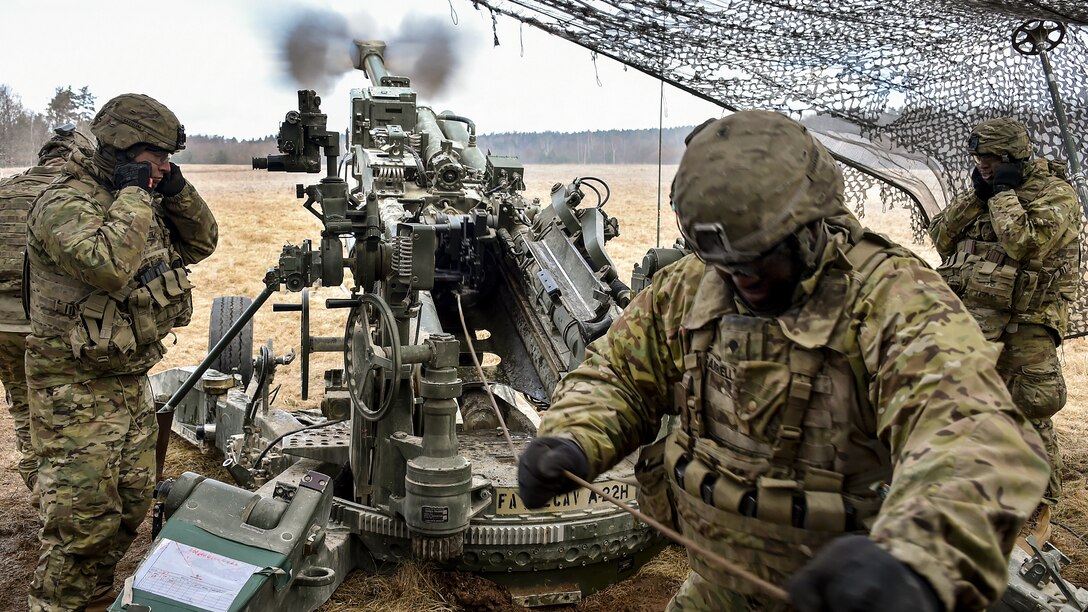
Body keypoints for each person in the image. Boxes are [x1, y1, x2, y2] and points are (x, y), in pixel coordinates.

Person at [517, 110, 1049, 611]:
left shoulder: (891, 299)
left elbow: (972, 435)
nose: (740, 278)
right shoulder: (692, 286)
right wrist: (574, 436)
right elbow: (619, 374)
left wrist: (915, 562)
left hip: (852, 592)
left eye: (758, 257)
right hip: (720, 582)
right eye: (721, 261)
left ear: (810, 226)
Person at [25, 93, 218, 612]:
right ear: (121, 150)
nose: (165, 167)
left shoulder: (142, 193)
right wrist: (136, 193)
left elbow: (203, 243)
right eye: (157, 158)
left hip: (129, 381)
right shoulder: (64, 203)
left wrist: (173, 189)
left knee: (131, 504)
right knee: (81, 524)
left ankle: (94, 596)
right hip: (72, 387)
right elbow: (109, 265)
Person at [929, 117, 1080, 529]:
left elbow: (1025, 241)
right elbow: (941, 237)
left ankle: (1037, 517)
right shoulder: (986, 189)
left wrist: (1002, 194)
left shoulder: (1055, 194)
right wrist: (977, 196)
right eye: (979, 158)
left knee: (1028, 411)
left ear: (1013, 157)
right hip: (974, 321)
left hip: (1026, 323)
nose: (984, 166)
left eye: (992, 159)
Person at [0, 125, 94, 494]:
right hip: (52, 323)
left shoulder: (5, 190)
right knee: (68, 412)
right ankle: (60, 493)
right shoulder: (74, 196)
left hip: (3, 326)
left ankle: (35, 474)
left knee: (23, 402)